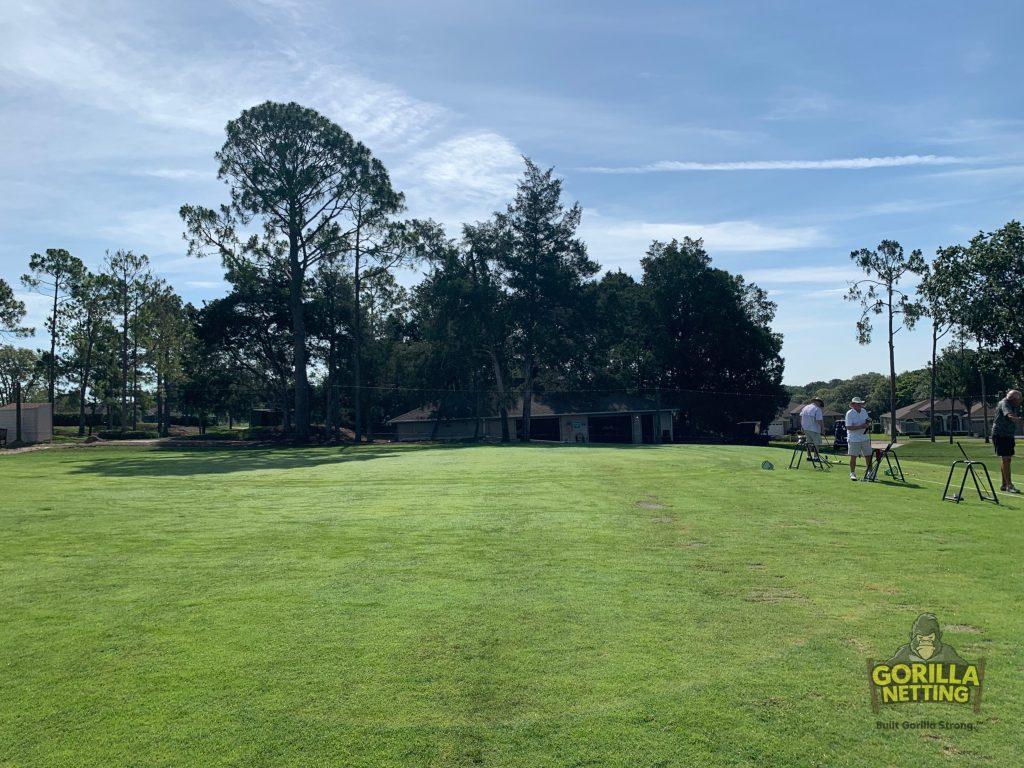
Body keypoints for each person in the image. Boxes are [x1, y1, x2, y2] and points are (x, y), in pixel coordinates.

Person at [992, 389, 1023, 493]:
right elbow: (1009, 414)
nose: (1020, 401)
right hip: (1001, 434)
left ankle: (1004, 484)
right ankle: (1009, 485)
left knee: (1006, 459)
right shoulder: (1005, 403)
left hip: (1008, 435)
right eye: (1019, 399)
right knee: (1006, 459)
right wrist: (1017, 420)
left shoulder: (1013, 405)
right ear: (1013, 399)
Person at [845, 396, 873, 481]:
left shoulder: (864, 411)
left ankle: (869, 472)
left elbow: (867, 421)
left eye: (860, 404)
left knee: (868, 455)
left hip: (864, 437)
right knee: (853, 456)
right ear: (853, 405)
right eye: (857, 404)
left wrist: (867, 424)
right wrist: (862, 426)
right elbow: (849, 427)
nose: (859, 405)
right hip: (854, 438)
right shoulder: (849, 413)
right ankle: (852, 473)